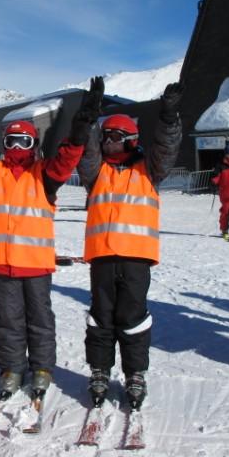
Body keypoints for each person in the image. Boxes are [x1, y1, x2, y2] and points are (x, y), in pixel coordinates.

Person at [0, 80, 88, 401]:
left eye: (24, 140)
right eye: (12, 140)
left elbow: (67, 159)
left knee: (40, 319)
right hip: (3, 264)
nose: (17, 146)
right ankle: (12, 368)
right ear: (4, 142)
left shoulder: (44, 174)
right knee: (9, 320)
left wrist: (82, 127)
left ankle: (41, 367)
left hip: (36, 264)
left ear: (33, 144)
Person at [76, 80, 183, 410]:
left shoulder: (148, 170)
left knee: (133, 318)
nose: (108, 142)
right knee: (101, 317)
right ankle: (100, 371)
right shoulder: (96, 173)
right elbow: (86, 149)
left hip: (137, 259)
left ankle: (135, 373)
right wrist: (89, 117)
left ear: (131, 139)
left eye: (115, 136)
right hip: (103, 259)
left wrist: (168, 117)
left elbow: (165, 148)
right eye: (105, 136)